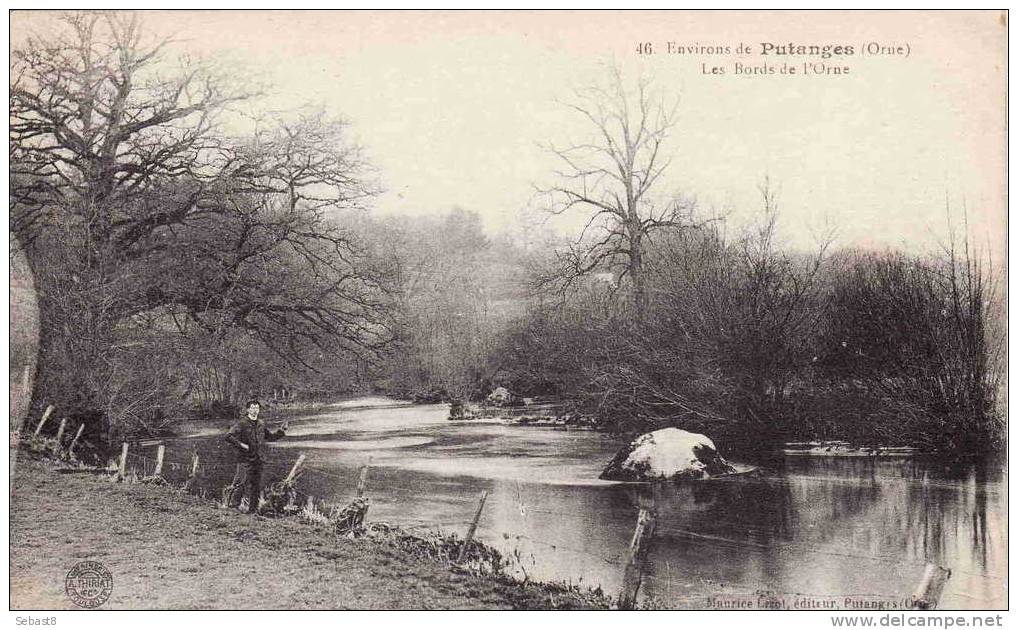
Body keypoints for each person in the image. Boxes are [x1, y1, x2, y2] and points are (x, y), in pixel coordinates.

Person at [224, 399, 288, 514]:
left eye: (257, 408)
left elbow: (270, 437)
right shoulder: (242, 423)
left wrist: (282, 431)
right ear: (248, 409)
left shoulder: (261, 424)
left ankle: (252, 511)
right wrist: (242, 445)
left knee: (256, 486)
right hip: (244, 459)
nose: (255, 410)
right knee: (240, 483)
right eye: (252, 408)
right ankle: (233, 508)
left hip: (258, 460)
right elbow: (228, 436)